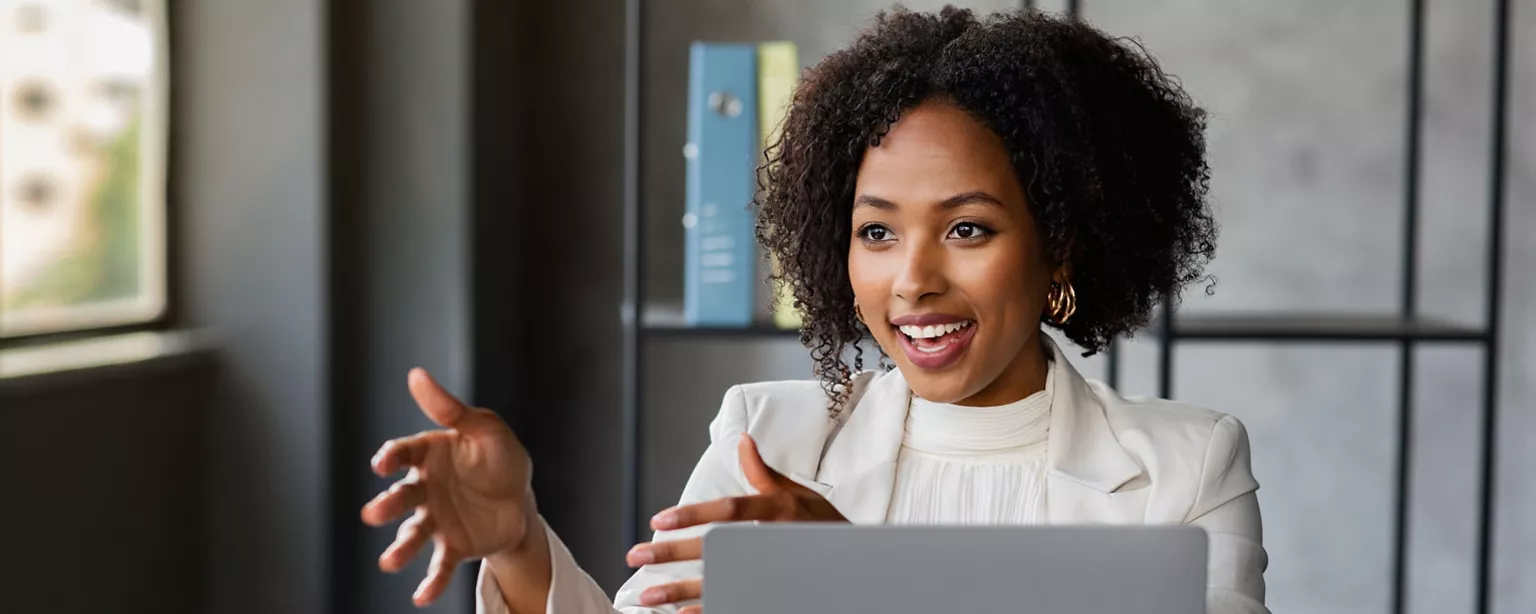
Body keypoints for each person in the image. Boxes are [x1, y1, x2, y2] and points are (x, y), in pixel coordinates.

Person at [360, 6, 1268, 614]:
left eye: (967, 229)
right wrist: (519, 541)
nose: (911, 281)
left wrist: (859, 585)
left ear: (1061, 245)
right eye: (876, 233)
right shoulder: (769, 441)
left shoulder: (1186, 470)